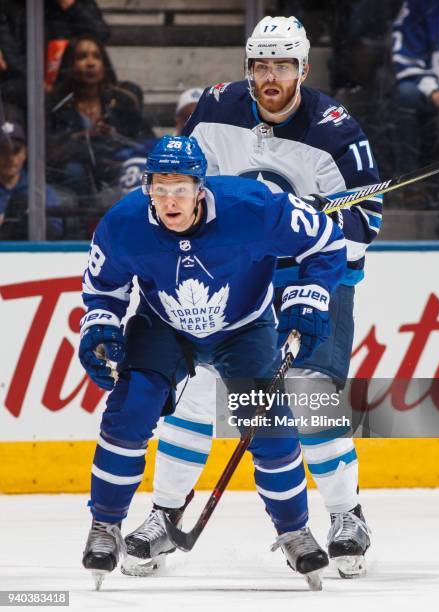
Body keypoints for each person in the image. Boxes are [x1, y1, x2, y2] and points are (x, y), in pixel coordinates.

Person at [124, 16, 381, 580]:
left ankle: (345, 515)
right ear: (248, 68)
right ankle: (165, 515)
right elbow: (182, 182)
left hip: (316, 272)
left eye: (282, 65)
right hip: (237, 276)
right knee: (195, 391)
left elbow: (366, 221)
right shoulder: (216, 108)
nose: (270, 76)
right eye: (261, 65)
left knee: (309, 395)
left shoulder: (336, 130)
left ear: (303, 68)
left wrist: (303, 231)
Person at [78, 135, 347, 589]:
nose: (169, 201)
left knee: (269, 426)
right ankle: (105, 527)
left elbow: (325, 242)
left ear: (201, 187)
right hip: (165, 327)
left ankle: (295, 531)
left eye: (179, 188)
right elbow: (104, 287)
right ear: (147, 187)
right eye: (159, 189)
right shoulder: (124, 222)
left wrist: (309, 297)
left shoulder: (253, 206)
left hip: (243, 328)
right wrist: (101, 326)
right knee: (128, 412)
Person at [47, 34, 145, 206]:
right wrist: (79, 137)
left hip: (114, 170)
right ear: (70, 64)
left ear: (104, 64)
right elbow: (48, 152)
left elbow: (143, 141)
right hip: (71, 180)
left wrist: (115, 135)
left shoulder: (122, 101)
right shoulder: (56, 105)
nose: (90, 63)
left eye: (96, 56)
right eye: (82, 57)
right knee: (75, 172)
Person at [391, 0, 439, 206]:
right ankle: (410, 183)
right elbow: (407, 57)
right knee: (406, 95)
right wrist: (433, 91)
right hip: (427, 88)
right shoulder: (419, 7)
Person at [0, 120, 62, 240]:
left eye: (16, 150)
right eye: (3, 150)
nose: (10, 158)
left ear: (25, 153)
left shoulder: (41, 191)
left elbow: (55, 229)